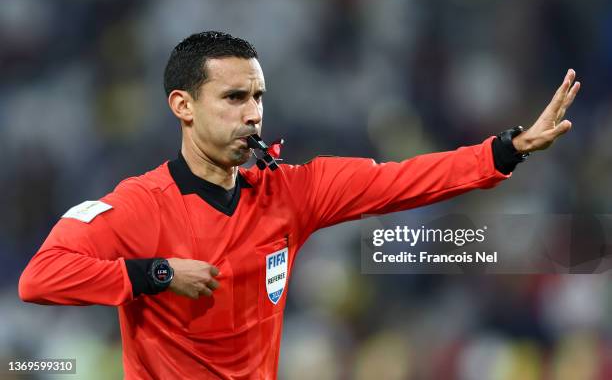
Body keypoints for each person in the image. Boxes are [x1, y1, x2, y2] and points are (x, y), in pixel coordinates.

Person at [18, 31, 580, 379]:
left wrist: (504, 151)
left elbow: (400, 180)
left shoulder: (290, 192)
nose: (253, 113)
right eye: (234, 97)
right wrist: (156, 273)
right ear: (183, 106)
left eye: (258, 96)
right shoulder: (139, 205)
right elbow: (40, 278)